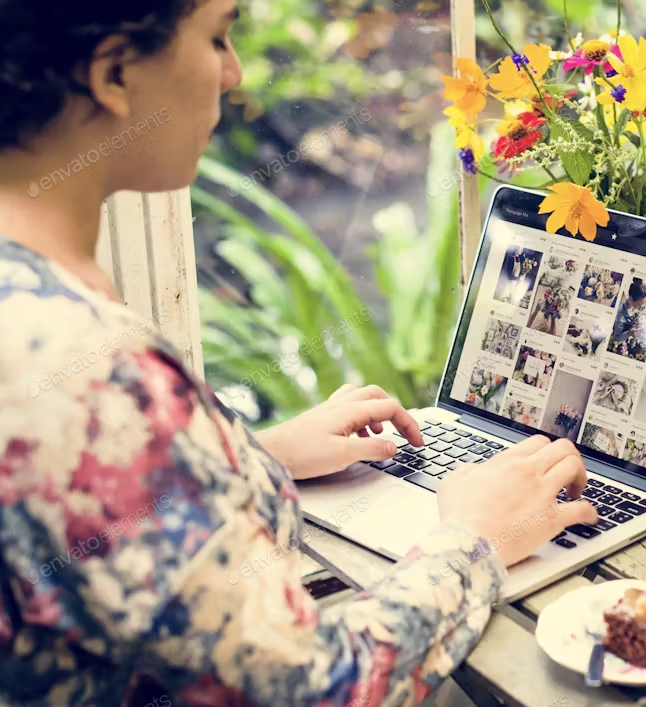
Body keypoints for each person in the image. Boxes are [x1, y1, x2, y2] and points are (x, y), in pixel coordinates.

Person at [0, 2, 599, 705]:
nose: (233, 73)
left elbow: (86, 518)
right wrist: (477, 538)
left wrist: (247, 455)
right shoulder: (94, 374)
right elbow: (313, 687)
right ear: (114, 73)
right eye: (217, 37)